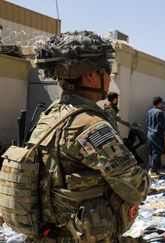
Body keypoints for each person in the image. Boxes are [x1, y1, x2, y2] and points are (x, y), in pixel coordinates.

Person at [30, 31, 150, 242]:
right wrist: (145, 178)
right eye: (106, 71)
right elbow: (134, 187)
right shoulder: (90, 124)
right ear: (90, 75)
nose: (110, 78)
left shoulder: (49, 116)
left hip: (49, 233)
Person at [146, 96, 165, 173]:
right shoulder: (160, 112)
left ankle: (150, 168)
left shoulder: (149, 111)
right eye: (161, 103)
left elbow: (147, 123)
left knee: (151, 152)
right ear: (159, 103)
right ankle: (154, 169)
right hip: (157, 135)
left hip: (149, 134)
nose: (162, 105)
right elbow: (161, 124)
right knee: (157, 152)